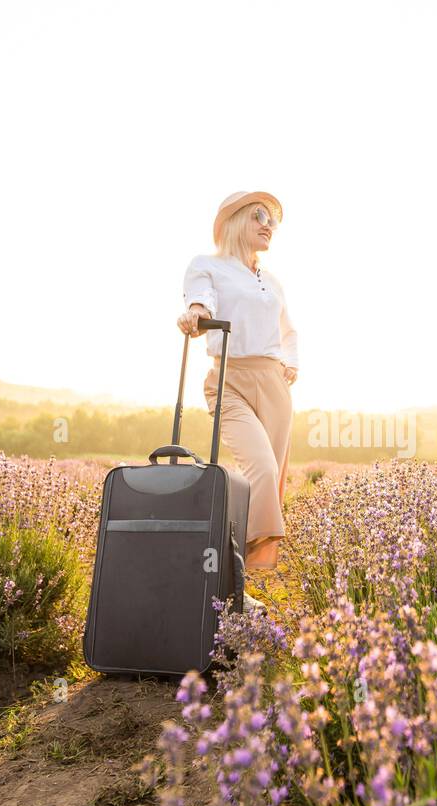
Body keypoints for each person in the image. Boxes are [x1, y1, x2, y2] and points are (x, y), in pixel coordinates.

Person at [176, 190, 298, 572]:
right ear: (233, 222)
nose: (268, 226)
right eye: (259, 216)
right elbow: (200, 297)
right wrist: (197, 310)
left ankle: (240, 579)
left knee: (272, 479)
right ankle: (229, 565)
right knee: (260, 467)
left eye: (273, 221)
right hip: (230, 379)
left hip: (273, 384)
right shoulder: (208, 266)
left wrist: (290, 363)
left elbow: (288, 330)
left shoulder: (272, 282)